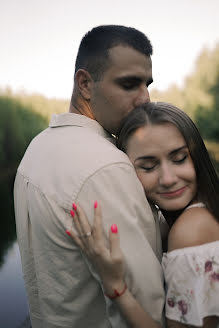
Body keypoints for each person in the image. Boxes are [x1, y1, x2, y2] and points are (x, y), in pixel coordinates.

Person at [14, 25, 166, 327]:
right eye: (129, 84)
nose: (145, 98)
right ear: (85, 83)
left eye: (147, 84)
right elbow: (148, 309)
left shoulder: (37, 148)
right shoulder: (107, 167)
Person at [67, 102, 219, 328]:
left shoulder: (189, 232)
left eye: (179, 159)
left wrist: (117, 288)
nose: (168, 178)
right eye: (148, 167)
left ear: (197, 158)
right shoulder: (204, 211)